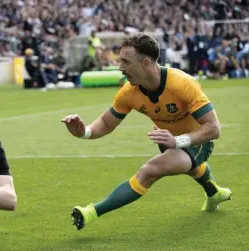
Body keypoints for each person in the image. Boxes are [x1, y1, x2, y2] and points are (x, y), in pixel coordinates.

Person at [61, 33, 232, 230]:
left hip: (198, 142)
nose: (120, 68)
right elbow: (107, 124)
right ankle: (214, 193)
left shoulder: (182, 84)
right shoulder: (129, 92)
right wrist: (84, 132)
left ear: (145, 63)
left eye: (126, 62)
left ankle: (91, 212)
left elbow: (213, 128)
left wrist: (177, 142)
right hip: (167, 141)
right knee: (188, 166)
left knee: (149, 171)